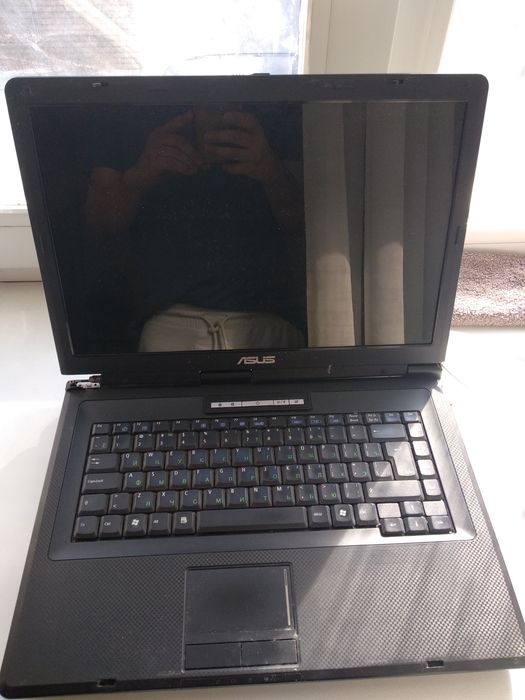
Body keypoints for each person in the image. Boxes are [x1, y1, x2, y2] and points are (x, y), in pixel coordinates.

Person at [85, 104, 306, 352]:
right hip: (168, 317)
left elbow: (311, 225)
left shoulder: (281, 108)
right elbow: (99, 228)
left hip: (268, 317)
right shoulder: (123, 109)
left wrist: (272, 172)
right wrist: (139, 177)